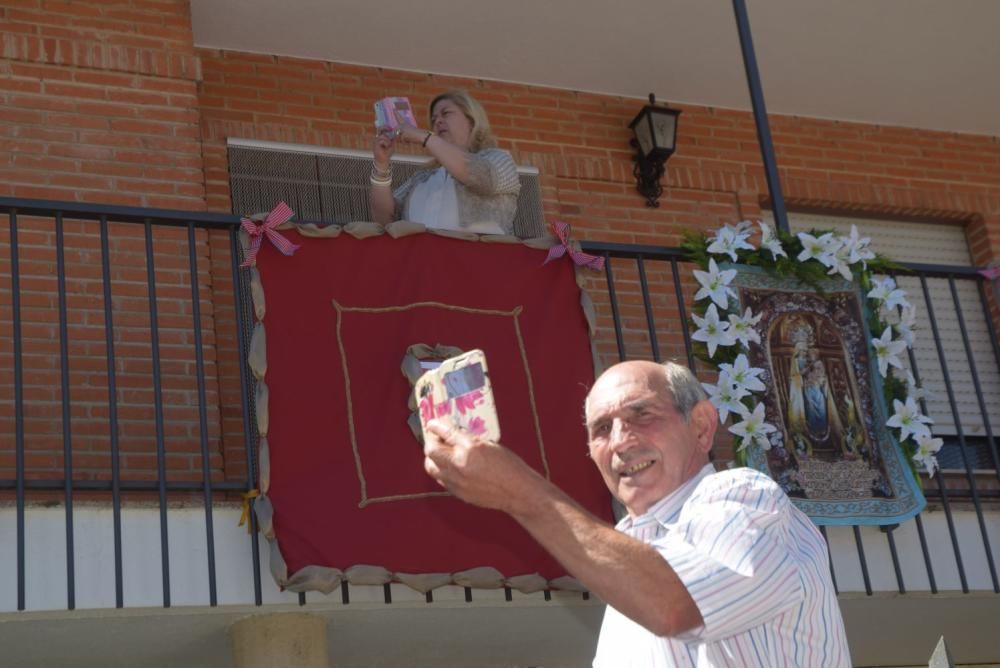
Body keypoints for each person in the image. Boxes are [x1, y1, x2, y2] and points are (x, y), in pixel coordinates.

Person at [423, 360, 850, 667]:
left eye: (640, 415)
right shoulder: (629, 552)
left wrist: (522, 493)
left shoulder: (745, 496)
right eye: (601, 429)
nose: (621, 441)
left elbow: (673, 606)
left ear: (701, 426)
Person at [369, 89, 521, 235]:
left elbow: (483, 177)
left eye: (446, 114)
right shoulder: (422, 178)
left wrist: (423, 136)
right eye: (434, 119)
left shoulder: (499, 158)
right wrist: (381, 164)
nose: (438, 121)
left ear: (471, 120)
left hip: (480, 259)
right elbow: (386, 221)